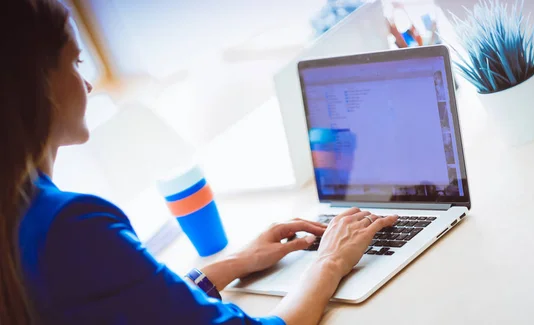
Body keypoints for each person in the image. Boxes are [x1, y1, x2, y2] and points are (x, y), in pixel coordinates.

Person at [0, 1, 399, 325]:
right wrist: (329, 261)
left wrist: (232, 263)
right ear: (37, 85)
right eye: (75, 62)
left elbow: (132, 311)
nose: (86, 84)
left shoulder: (18, 217)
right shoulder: (70, 225)